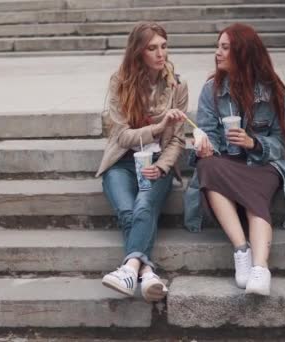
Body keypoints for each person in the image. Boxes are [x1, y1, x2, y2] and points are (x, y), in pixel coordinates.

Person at [190, 23, 285, 295]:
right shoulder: (211, 91)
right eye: (218, 46)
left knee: (255, 196)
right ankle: (242, 250)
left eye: (225, 48)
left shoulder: (273, 91)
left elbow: (284, 141)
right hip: (227, 163)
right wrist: (205, 147)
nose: (217, 53)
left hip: (262, 164)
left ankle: (260, 267)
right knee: (206, 166)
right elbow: (208, 133)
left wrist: (254, 143)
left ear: (242, 53)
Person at [96, 22, 188, 302]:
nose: (161, 54)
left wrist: (162, 167)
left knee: (144, 204)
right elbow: (121, 135)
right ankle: (146, 271)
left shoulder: (178, 85)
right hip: (122, 161)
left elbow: (178, 140)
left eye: (163, 46)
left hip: (156, 162)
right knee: (128, 211)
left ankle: (129, 269)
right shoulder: (120, 82)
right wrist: (159, 127)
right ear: (138, 52)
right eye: (152, 48)